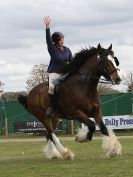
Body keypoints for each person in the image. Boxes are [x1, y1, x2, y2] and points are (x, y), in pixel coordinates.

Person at [44, 16, 73, 116]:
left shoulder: (67, 49)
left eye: (63, 39)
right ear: (56, 41)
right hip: (54, 73)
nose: (62, 41)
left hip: (66, 73)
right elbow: (48, 40)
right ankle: (51, 108)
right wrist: (47, 27)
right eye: (60, 40)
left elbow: (72, 62)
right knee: (51, 87)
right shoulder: (52, 49)